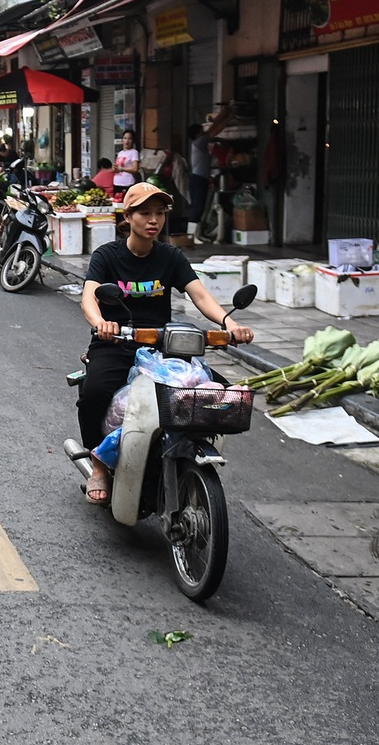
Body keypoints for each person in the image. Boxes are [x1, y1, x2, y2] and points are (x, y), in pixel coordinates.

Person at [77, 183, 253, 506]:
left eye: (159, 213)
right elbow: (89, 296)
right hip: (117, 341)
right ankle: (99, 463)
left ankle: (186, 451)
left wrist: (229, 324)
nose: (153, 220)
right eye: (145, 213)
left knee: (217, 393)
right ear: (127, 217)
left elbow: (199, 295)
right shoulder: (107, 256)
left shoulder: (171, 256)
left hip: (162, 346)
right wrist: (100, 322)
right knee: (95, 393)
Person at [187, 107, 232, 244]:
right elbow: (213, 129)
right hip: (198, 178)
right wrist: (226, 115)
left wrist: (226, 118)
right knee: (198, 207)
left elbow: (211, 130)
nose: (204, 133)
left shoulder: (200, 143)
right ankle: (191, 236)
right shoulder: (200, 142)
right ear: (197, 134)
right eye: (201, 131)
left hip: (200, 178)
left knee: (201, 207)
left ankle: (197, 235)